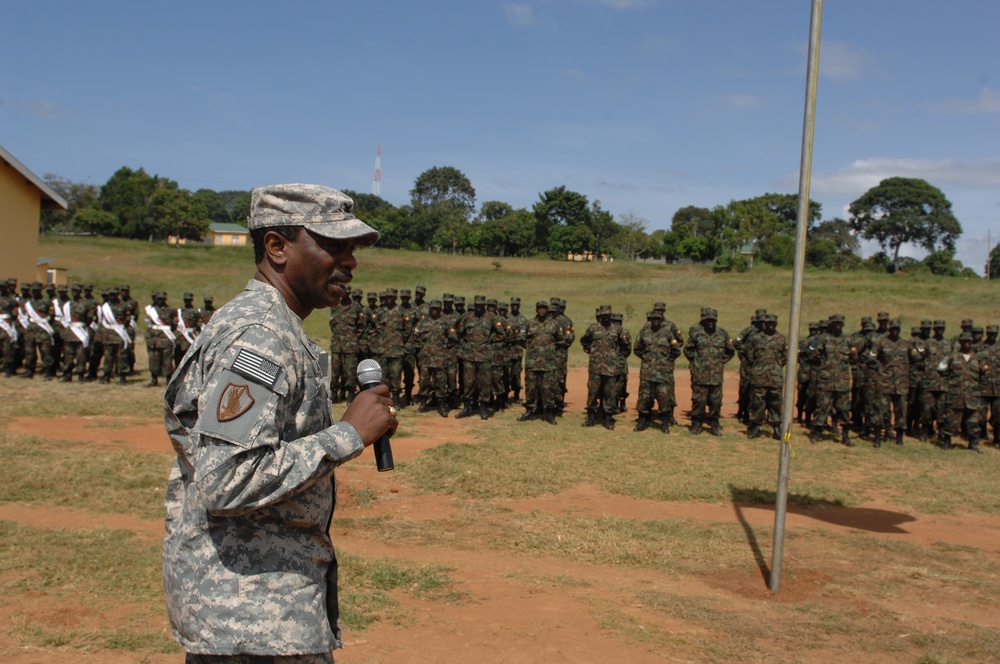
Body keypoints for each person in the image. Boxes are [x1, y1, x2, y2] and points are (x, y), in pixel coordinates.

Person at [162, 183, 396, 662]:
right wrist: (348, 435)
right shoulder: (262, 337)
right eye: (334, 245)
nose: (350, 262)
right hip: (252, 621)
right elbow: (226, 480)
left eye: (351, 249)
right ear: (276, 246)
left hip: (257, 615)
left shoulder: (274, 325)